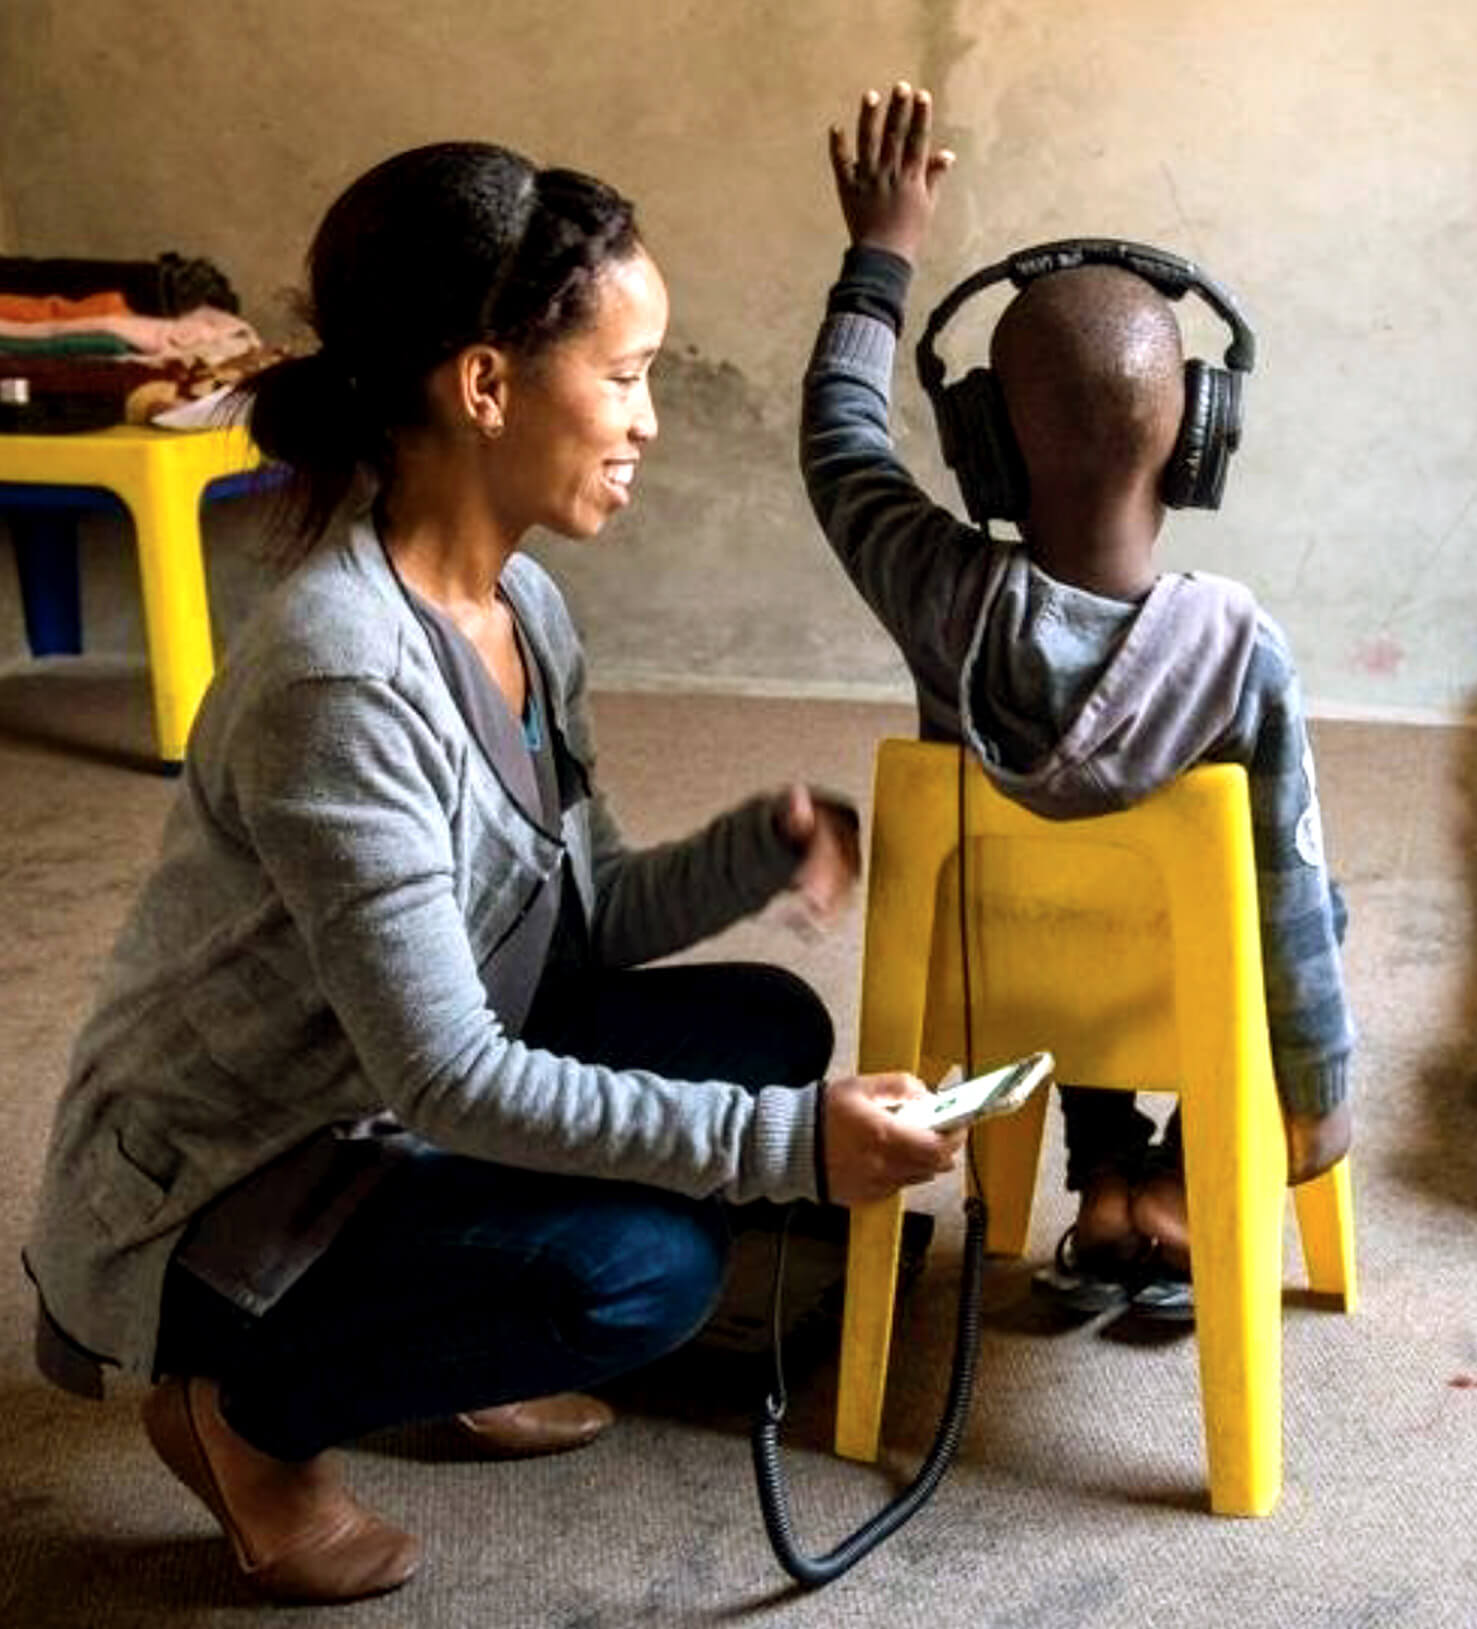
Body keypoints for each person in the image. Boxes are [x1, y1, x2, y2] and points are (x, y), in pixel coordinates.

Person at [23, 141, 963, 1605]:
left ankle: (440, 1332)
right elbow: (457, 1075)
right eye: (628, 374)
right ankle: (246, 1415)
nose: (650, 421)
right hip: (233, 1183)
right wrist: (793, 1151)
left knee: (771, 1024)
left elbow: (564, 935)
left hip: (381, 1101)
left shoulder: (522, 599)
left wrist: (745, 857)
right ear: (483, 385)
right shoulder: (340, 672)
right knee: (638, 1274)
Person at [800, 85, 1354, 1317]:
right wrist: (1314, 1102)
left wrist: (879, 256)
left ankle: (1101, 1169)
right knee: (1320, 901)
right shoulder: (1238, 645)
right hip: (1175, 990)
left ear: (982, 444)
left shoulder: (933, 588)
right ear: (1196, 442)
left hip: (1006, 982)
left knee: (1071, 888)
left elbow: (837, 442)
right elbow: (1284, 901)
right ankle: (1171, 1180)